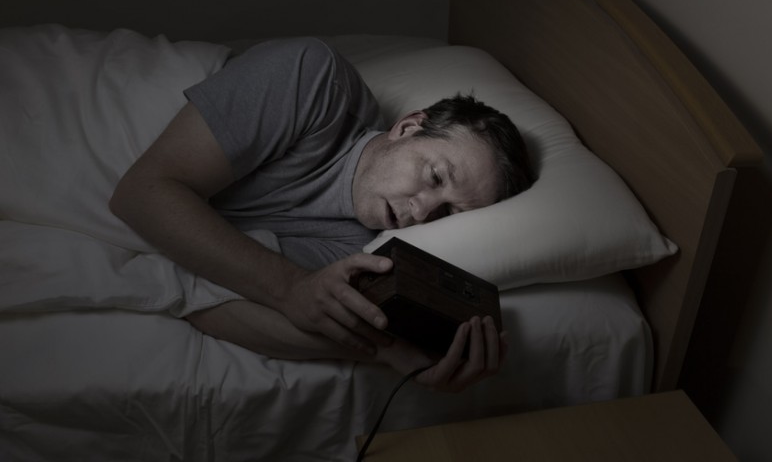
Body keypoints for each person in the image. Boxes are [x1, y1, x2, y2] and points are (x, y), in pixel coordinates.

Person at [110, 37, 534, 393]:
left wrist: (392, 352)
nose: (421, 211)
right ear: (407, 127)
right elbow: (141, 193)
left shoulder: (361, 255)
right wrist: (290, 286)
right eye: (435, 176)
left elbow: (206, 303)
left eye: (448, 212)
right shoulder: (314, 80)